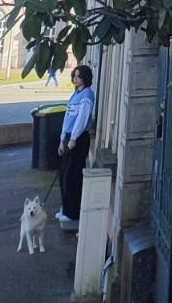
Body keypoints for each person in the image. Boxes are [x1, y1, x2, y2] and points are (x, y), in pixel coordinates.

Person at [56, 64, 96, 231]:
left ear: (85, 78)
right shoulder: (75, 94)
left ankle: (72, 212)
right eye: (74, 75)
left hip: (78, 139)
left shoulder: (87, 95)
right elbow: (68, 117)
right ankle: (66, 208)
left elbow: (82, 119)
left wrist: (73, 138)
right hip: (68, 137)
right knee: (64, 174)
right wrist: (62, 139)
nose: (75, 78)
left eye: (79, 76)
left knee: (72, 176)